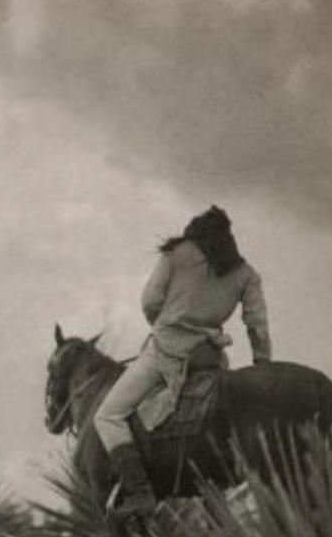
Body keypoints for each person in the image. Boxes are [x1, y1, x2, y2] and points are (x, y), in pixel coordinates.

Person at [93, 205, 272, 518]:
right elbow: (256, 323)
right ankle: (218, 510)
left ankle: (139, 492)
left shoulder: (176, 254)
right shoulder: (246, 273)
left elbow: (149, 301)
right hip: (210, 357)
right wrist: (262, 363)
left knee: (108, 415)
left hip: (166, 351)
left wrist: (164, 324)